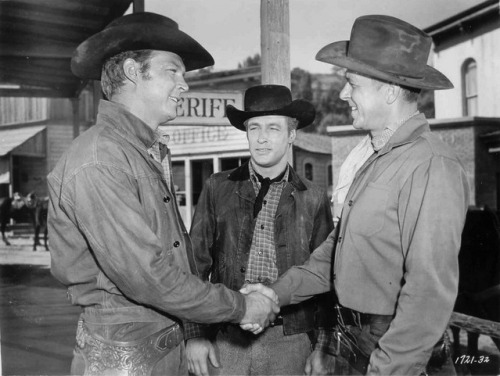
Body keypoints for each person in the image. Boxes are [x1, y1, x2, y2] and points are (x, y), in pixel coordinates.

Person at [47, 12, 278, 376]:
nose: (184, 85)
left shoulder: (135, 150)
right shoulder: (102, 160)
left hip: (154, 351)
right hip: (123, 360)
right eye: (173, 71)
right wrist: (242, 306)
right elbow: (149, 277)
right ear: (132, 72)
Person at [243, 15, 470, 375]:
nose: (342, 94)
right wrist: (275, 293)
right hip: (352, 339)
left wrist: (387, 369)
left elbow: (429, 293)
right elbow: (335, 254)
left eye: (352, 84)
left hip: (394, 350)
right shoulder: (375, 160)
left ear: (390, 90)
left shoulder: (432, 165)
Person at [184, 85, 337, 376]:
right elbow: (194, 264)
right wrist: (195, 334)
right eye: (254, 128)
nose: (262, 138)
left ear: (292, 134)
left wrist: (323, 346)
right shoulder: (218, 187)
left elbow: (326, 279)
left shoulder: (313, 197)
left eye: (273, 128)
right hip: (226, 338)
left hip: (290, 340)